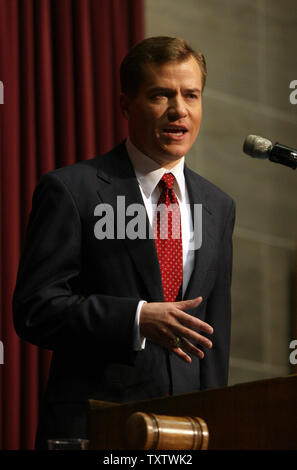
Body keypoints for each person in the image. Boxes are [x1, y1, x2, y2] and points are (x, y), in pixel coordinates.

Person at [13, 36, 235, 449]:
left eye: (191, 95)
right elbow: (36, 309)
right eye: (160, 95)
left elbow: (213, 334)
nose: (179, 110)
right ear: (125, 105)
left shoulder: (219, 206)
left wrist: (215, 425)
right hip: (97, 429)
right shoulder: (72, 190)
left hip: (187, 431)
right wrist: (136, 318)